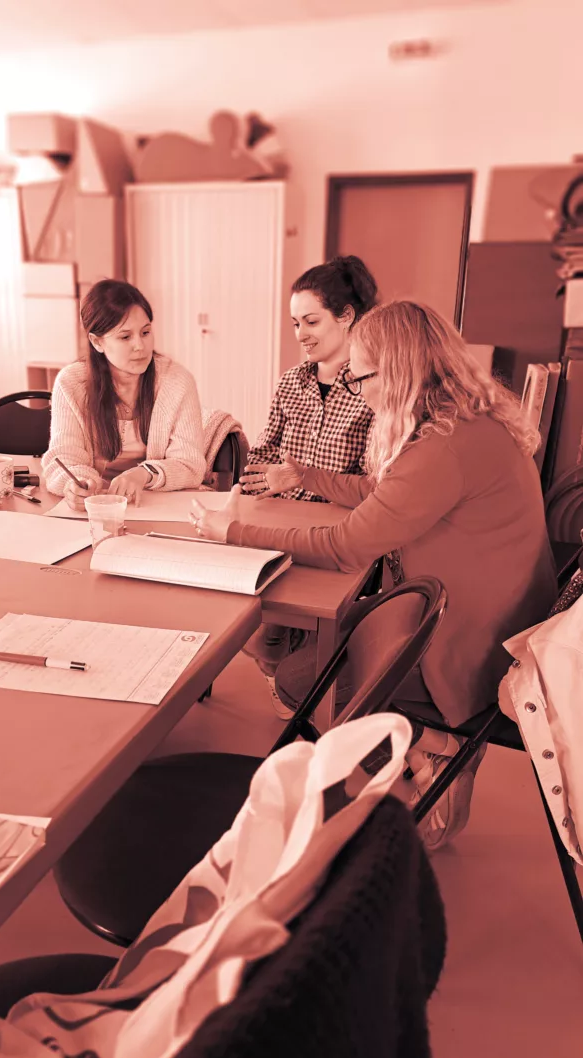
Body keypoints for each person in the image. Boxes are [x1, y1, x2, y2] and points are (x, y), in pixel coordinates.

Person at [189, 300, 557, 850]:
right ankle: (419, 750)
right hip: (494, 621)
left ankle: (440, 747)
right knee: (311, 655)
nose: (359, 392)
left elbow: (346, 545)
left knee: (298, 680)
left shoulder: (443, 445)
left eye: (361, 378)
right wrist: (306, 475)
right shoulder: (465, 422)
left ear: (398, 371)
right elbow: (388, 494)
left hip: (470, 647)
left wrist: (232, 532)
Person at [239, 255, 378, 698]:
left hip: (338, 534)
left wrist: (300, 479)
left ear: (346, 316)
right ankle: (283, 670)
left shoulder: (373, 387)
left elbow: (375, 484)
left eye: (311, 321)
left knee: (299, 638)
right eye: (295, 323)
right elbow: (263, 452)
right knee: (252, 629)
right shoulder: (290, 383)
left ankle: (296, 681)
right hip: (281, 523)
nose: (300, 334)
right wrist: (257, 481)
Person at [42, 279, 205, 509]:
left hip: (155, 505)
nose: (140, 345)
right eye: (125, 337)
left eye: (145, 332)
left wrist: (144, 473)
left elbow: (190, 465)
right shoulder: (71, 383)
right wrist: (75, 485)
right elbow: (64, 459)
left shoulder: (177, 381)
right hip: (97, 508)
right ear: (97, 342)